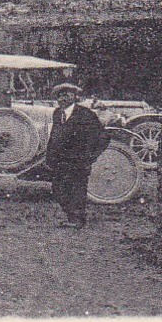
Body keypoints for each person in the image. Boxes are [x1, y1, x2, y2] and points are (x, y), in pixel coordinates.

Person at [43, 82, 107, 229]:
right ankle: (71, 215)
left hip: (79, 161)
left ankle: (77, 219)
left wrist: (90, 157)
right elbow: (54, 136)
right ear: (57, 99)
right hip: (60, 161)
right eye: (60, 95)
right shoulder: (57, 113)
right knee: (59, 190)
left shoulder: (85, 114)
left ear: (74, 96)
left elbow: (102, 137)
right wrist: (49, 157)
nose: (64, 98)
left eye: (67, 94)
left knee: (77, 189)